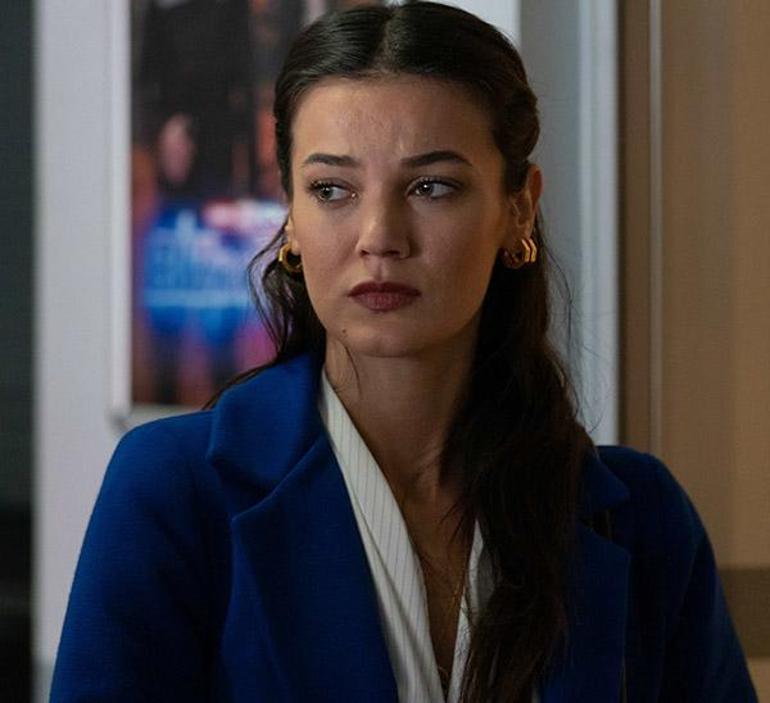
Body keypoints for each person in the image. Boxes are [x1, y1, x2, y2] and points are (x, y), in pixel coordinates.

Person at [50, 3, 756, 702]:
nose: (380, 236)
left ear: (518, 207)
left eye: (431, 186)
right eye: (332, 189)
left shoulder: (640, 518)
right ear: (290, 216)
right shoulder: (175, 491)